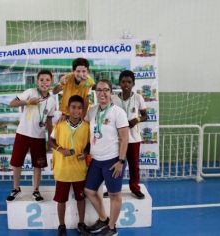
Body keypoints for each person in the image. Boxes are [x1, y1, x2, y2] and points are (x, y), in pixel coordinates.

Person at [84, 79, 129, 236]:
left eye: (106, 90)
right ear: (95, 92)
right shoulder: (92, 111)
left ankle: (111, 227)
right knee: (89, 190)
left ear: (111, 92)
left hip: (113, 160)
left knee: (114, 195)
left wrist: (121, 161)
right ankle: (103, 218)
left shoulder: (118, 112)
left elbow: (124, 138)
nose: (102, 93)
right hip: (96, 160)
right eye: (99, 90)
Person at [6, 70, 56, 202]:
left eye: (47, 80)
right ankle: (16, 188)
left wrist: (51, 138)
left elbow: (49, 121)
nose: (44, 82)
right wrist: (28, 102)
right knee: (16, 162)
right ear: (37, 82)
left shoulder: (52, 100)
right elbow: (12, 103)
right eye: (41, 80)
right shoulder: (30, 92)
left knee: (38, 165)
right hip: (22, 133)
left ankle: (36, 190)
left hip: (39, 136)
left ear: (51, 82)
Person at [49, 95, 90, 236]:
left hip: (79, 170)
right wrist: (61, 149)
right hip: (62, 170)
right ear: (67, 109)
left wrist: (85, 153)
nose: (76, 111)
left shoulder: (86, 127)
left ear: (82, 110)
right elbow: (51, 141)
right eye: (73, 107)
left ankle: (81, 223)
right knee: (61, 200)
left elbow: (89, 145)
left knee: (81, 198)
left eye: (79, 108)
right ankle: (61, 226)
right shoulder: (59, 125)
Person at [109, 70, 148, 199]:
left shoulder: (138, 98)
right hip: (118, 139)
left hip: (134, 139)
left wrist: (136, 120)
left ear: (133, 84)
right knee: (116, 165)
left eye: (129, 82)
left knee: (134, 166)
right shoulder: (113, 98)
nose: (126, 84)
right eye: (124, 81)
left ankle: (135, 188)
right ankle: (113, 188)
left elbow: (145, 116)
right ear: (119, 83)